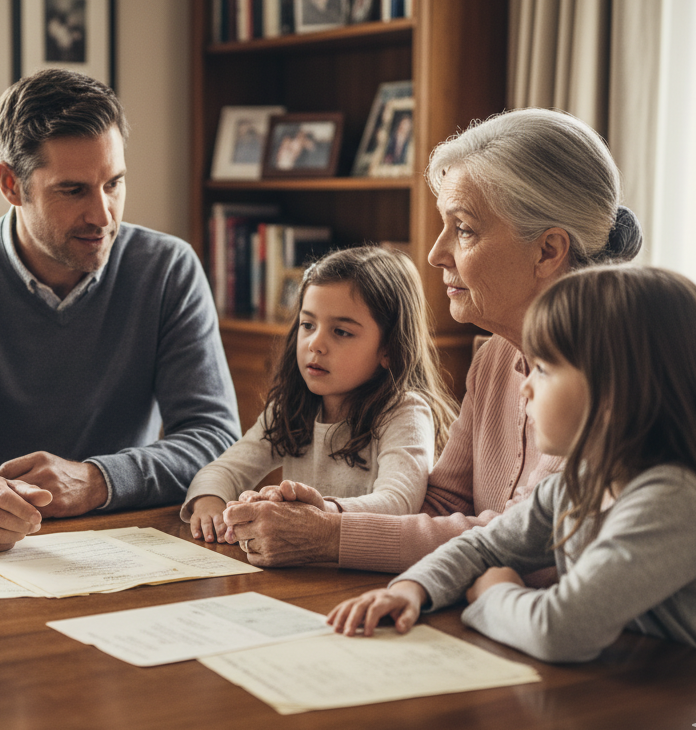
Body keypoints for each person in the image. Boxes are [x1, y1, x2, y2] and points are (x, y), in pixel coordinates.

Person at [223, 108, 643, 570]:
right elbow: (445, 503)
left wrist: (331, 536)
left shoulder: (615, 382)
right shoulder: (496, 356)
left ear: (547, 250)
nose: (435, 253)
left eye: (463, 228)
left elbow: (523, 542)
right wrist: (328, 513)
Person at [0, 69, 239, 552]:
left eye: (113, 184)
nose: (103, 216)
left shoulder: (168, 269)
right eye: (73, 190)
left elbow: (215, 439)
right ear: (10, 183)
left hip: (126, 546)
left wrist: (96, 480)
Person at [326, 266, 696, 661]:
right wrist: (411, 590)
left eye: (544, 368)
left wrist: (494, 592)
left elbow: (561, 631)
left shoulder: (670, 502)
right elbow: (482, 547)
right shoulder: (576, 486)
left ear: (614, 392)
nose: (525, 386)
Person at [182, 246, 458, 543]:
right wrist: (210, 502)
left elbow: (398, 503)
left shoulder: (405, 413)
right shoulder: (290, 408)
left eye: (341, 331)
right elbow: (224, 470)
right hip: (307, 567)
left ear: (389, 349)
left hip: (371, 576)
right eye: (308, 325)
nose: (316, 344)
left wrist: (321, 513)